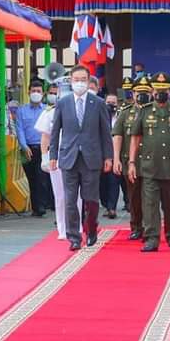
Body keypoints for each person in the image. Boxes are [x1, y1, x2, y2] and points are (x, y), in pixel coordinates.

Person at [49, 65, 113, 251]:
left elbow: (106, 133)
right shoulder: (63, 103)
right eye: (76, 80)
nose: (79, 83)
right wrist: (53, 155)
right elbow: (55, 132)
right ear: (70, 81)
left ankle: (91, 229)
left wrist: (108, 157)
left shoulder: (98, 103)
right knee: (70, 200)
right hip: (68, 157)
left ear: (88, 80)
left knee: (91, 199)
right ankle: (74, 237)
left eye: (83, 80)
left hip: (91, 158)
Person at [128, 72, 170, 252]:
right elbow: (135, 137)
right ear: (152, 91)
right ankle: (152, 238)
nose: (160, 93)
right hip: (150, 166)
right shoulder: (145, 111)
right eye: (157, 90)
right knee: (150, 205)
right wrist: (132, 162)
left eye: (164, 90)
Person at [36, 78, 82, 240]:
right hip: (57, 157)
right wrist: (44, 157)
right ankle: (62, 228)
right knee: (60, 195)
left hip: (77, 156)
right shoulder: (51, 112)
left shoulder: (81, 109)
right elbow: (45, 137)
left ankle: (77, 226)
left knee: (77, 195)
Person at [112, 75, 152, 240]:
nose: (141, 95)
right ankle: (136, 227)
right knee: (134, 197)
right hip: (130, 161)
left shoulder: (155, 111)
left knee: (150, 198)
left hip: (151, 161)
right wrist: (116, 159)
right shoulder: (125, 113)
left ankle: (150, 228)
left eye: (145, 92)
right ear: (133, 94)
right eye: (138, 92)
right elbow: (118, 135)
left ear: (151, 93)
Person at [16, 80, 52, 217]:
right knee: (31, 178)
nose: (36, 93)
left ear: (43, 94)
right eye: (33, 91)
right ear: (28, 92)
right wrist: (24, 146)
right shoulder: (21, 110)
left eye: (38, 91)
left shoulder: (47, 110)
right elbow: (19, 129)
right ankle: (36, 207)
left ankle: (42, 206)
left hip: (43, 148)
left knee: (41, 177)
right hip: (27, 149)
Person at [100, 93, 122, 218]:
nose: (111, 105)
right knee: (102, 183)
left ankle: (111, 207)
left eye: (113, 103)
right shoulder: (100, 115)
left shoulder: (120, 116)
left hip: (115, 153)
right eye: (108, 102)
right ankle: (105, 203)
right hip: (101, 153)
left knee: (114, 181)